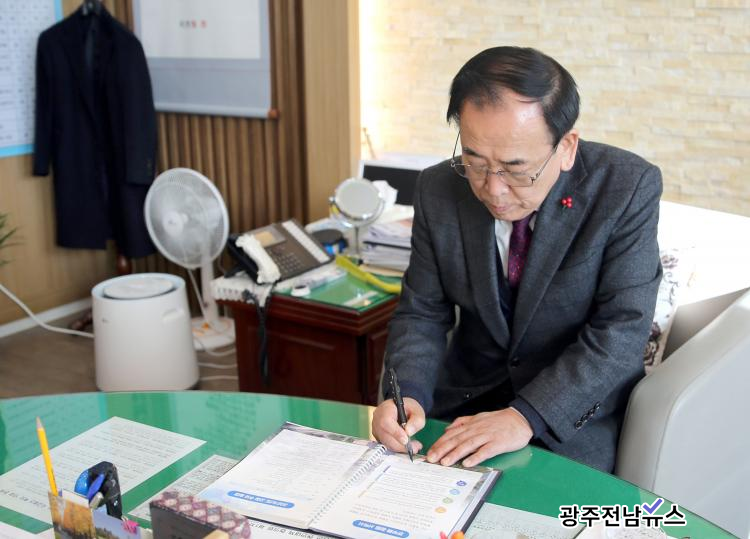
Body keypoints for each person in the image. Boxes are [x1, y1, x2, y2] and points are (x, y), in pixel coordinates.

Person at [371, 46, 662, 472]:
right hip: (463, 405)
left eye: (516, 169)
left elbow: (622, 330)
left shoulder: (625, 188)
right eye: (474, 162)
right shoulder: (438, 189)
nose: (494, 189)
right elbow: (422, 312)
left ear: (566, 147)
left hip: (567, 418)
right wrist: (406, 394)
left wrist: (526, 416)